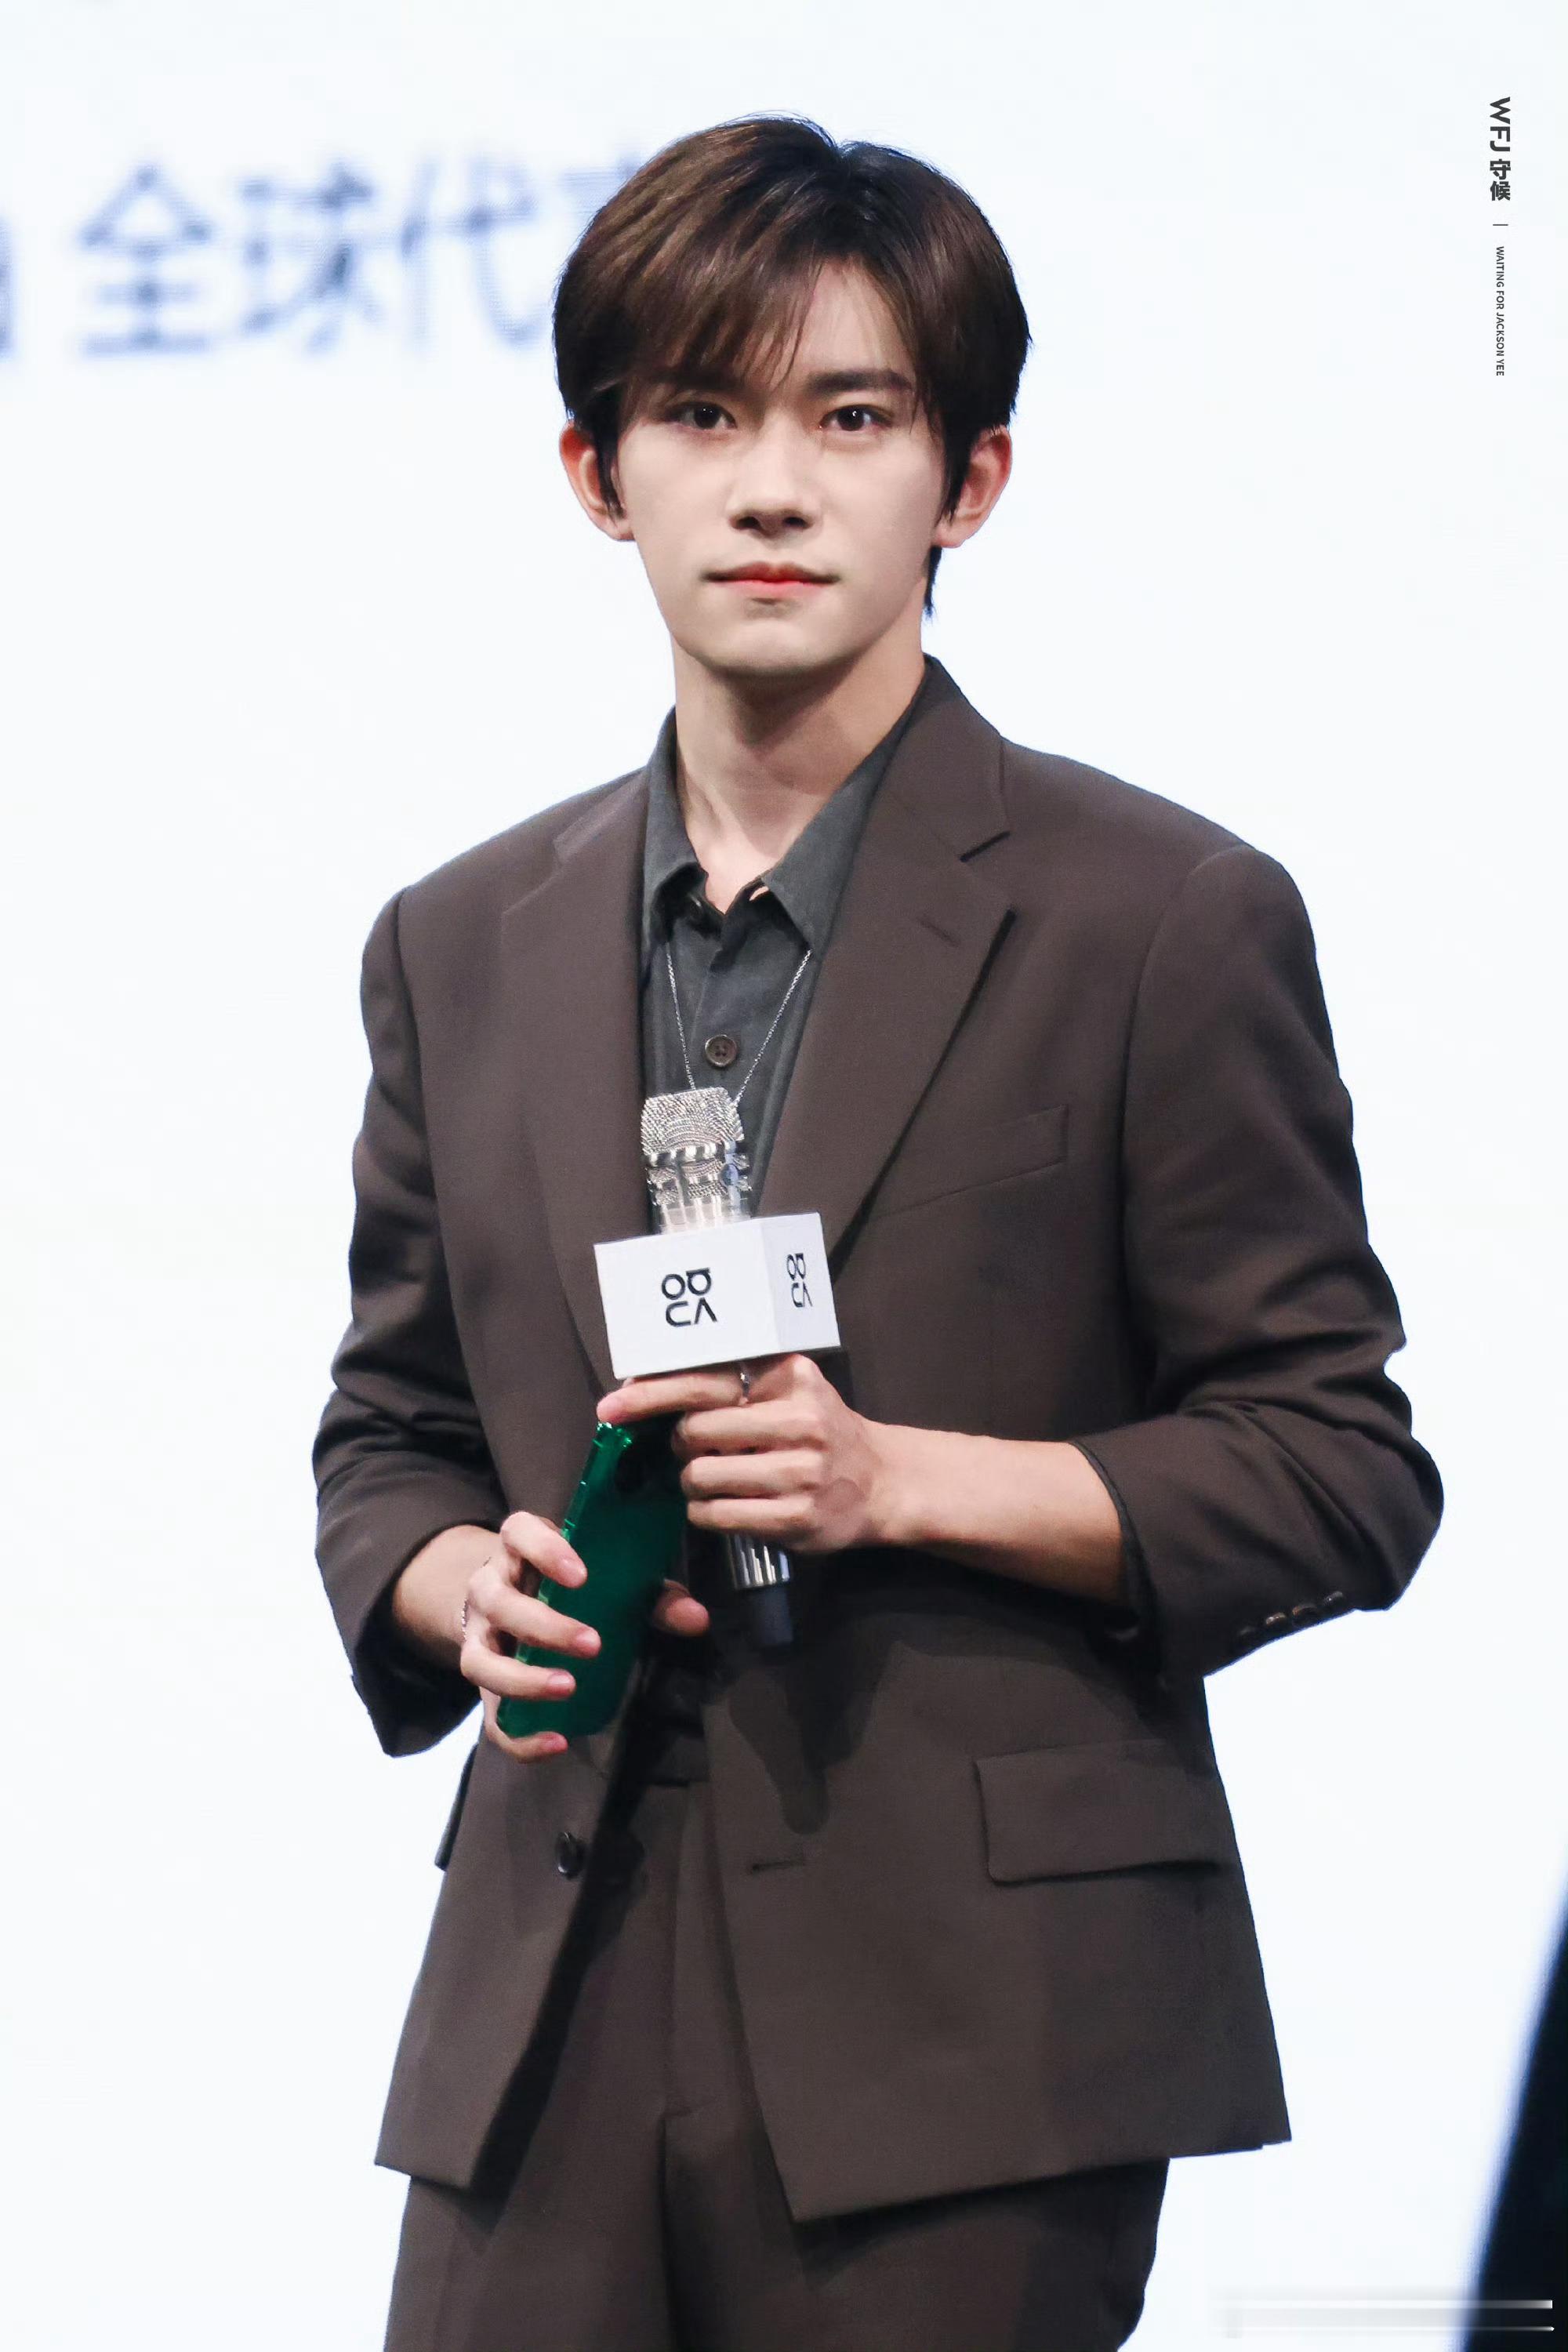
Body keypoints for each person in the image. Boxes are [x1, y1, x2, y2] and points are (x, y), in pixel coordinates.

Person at [314, 115, 1443, 2352]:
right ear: (597, 474)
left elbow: (1339, 1464)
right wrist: (459, 1584)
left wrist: (894, 1479)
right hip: (549, 1997)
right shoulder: (462, 937)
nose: (772, 489)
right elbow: (393, 1431)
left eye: (851, 420)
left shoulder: (1161, 917)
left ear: (970, 480)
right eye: (701, 415)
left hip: (974, 2030)